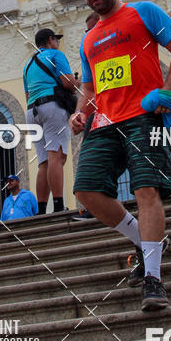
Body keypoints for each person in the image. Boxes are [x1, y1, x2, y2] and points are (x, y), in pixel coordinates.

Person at [70, 0, 171, 312]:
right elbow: (91, 87)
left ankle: (153, 277)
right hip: (104, 122)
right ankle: (146, 239)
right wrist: (81, 113)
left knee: (146, 189)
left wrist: (169, 91)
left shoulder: (145, 13)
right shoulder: (89, 38)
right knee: (86, 191)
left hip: (144, 116)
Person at [23, 28, 76, 214]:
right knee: (57, 155)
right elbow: (67, 82)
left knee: (43, 161)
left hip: (32, 112)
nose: (58, 43)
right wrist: (78, 81)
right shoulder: (55, 55)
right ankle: (59, 206)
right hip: (52, 107)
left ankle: (42, 209)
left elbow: (28, 94)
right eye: (57, 40)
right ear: (50, 40)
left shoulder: (28, 65)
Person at [71, 11, 100, 222]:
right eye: (86, 31)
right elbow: (87, 87)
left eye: (92, 29)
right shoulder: (88, 50)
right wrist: (80, 113)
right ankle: (95, 206)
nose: (89, 34)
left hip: (124, 111)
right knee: (93, 163)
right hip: (97, 114)